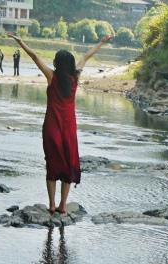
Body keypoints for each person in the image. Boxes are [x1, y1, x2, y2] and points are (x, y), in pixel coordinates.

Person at [8, 31, 112, 218]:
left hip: (51, 127)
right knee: (68, 163)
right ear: (71, 64)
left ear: (56, 63)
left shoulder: (51, 76)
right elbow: (87, 56)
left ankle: (51, 205)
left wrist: (20, 41)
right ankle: (63, 205)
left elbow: (35, 57)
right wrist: (101, 42)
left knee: (52, 164)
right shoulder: (76, 77)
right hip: (69, 128)